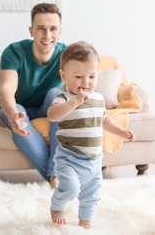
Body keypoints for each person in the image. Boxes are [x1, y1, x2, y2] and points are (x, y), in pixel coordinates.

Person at [47, 41, 136, 229]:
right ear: (64, 76)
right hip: (69, 158)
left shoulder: (98, 98)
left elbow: (103, 119)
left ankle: (84, 224)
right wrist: (75, 102)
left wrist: (120, 132)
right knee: (70, 189)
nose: (85, 82)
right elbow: (52, 115)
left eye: (92, 76)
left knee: (92, 194)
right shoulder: (64, 99)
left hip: (94, 161)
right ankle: (57, 206)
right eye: (78, 76)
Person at [0, 3, 66, 189]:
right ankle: (58, 180)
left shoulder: (66, 55)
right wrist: (13, 114)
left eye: (53, 29)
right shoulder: (14, 52)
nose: (47, 35)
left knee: (57, 94)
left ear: (59, 32)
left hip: (48, 109)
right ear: (31, 31)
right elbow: (5, 90)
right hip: (18, 109)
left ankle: (56, 175)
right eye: (41, 29)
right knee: (17, 111)